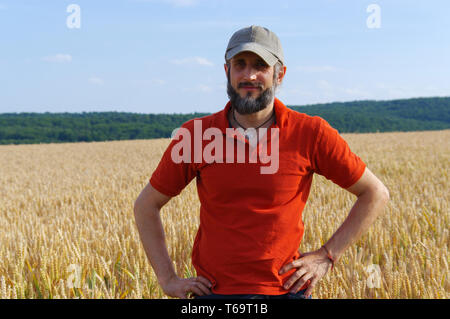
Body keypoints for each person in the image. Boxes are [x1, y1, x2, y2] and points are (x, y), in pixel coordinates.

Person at [134, 25, 390, 299]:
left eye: (261, 65)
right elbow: (146, 205)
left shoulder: (311, 133)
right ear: (227, 71)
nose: (249, 75)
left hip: (287, 292)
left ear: (280, 74)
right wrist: (167, 279)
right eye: (240, 64)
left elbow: (375, 193)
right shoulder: (196, 136)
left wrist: (328, 255)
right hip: (215, 295)